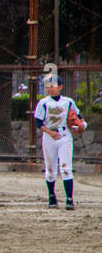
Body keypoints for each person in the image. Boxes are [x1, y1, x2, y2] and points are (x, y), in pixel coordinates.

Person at [35, 75, 85, 210]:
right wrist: (50, 133)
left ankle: (69, 199)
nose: (49, 88)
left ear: (60, 87)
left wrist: (81, 126)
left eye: (53, 86)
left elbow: (79, 119)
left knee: (66, 168)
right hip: (49, 136)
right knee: (51, 170)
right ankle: (51, 196)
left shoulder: (68, 102)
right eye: (47, 86)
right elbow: (39, 123)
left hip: (64, 135)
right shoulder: (43, 103)